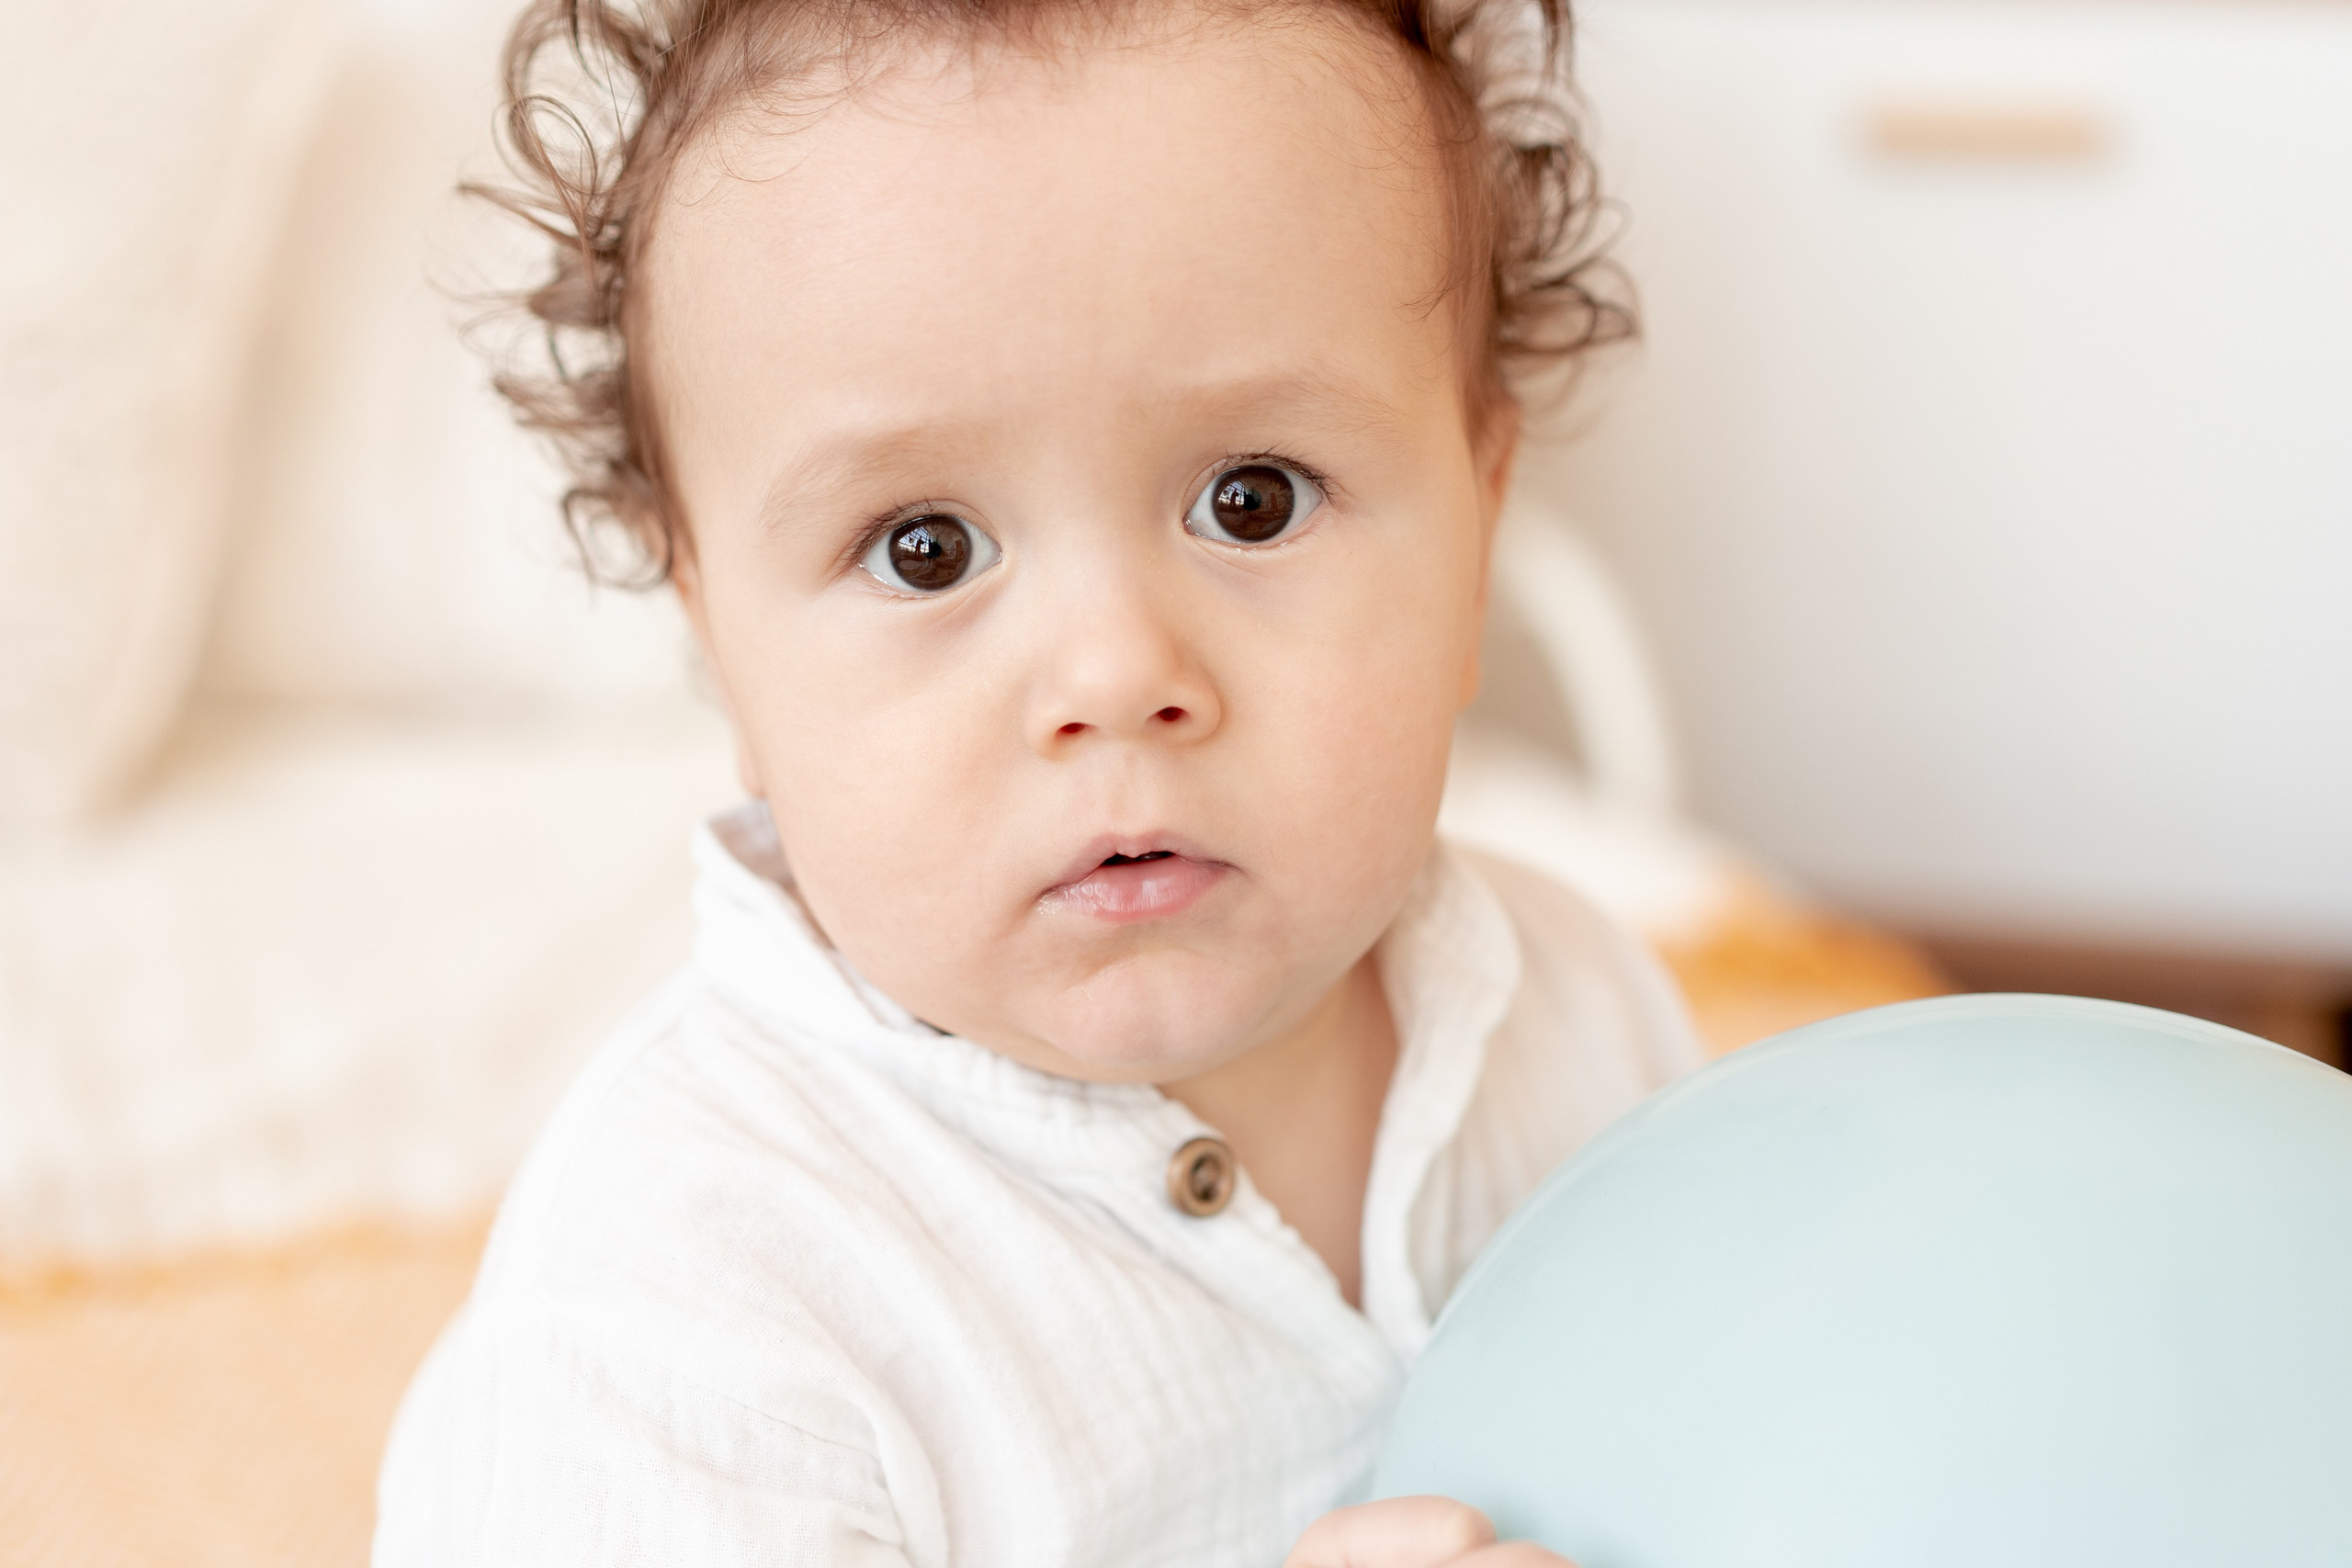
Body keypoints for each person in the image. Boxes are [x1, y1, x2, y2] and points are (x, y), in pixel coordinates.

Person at [375, 1, 1702, 1562]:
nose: (1113, 673)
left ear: (1477, 536)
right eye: (923, 548)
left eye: (1253, 500)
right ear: (721, 651)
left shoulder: (1588, 1019)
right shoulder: (682, 1312)